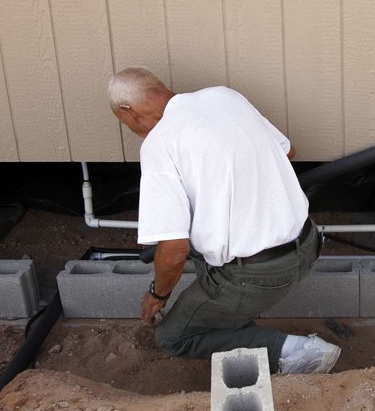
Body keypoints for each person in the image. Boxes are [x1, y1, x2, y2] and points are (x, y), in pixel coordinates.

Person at [106, 67, 340, 374]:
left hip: (259, 274)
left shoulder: (159, 144)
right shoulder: (224, 96)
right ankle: (226, 312)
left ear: (127, 110)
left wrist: (158, 295)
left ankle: (297, 351)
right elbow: (288, 151)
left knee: (173, 336)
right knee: (196, 246)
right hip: (308, 244)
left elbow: (174, 249)